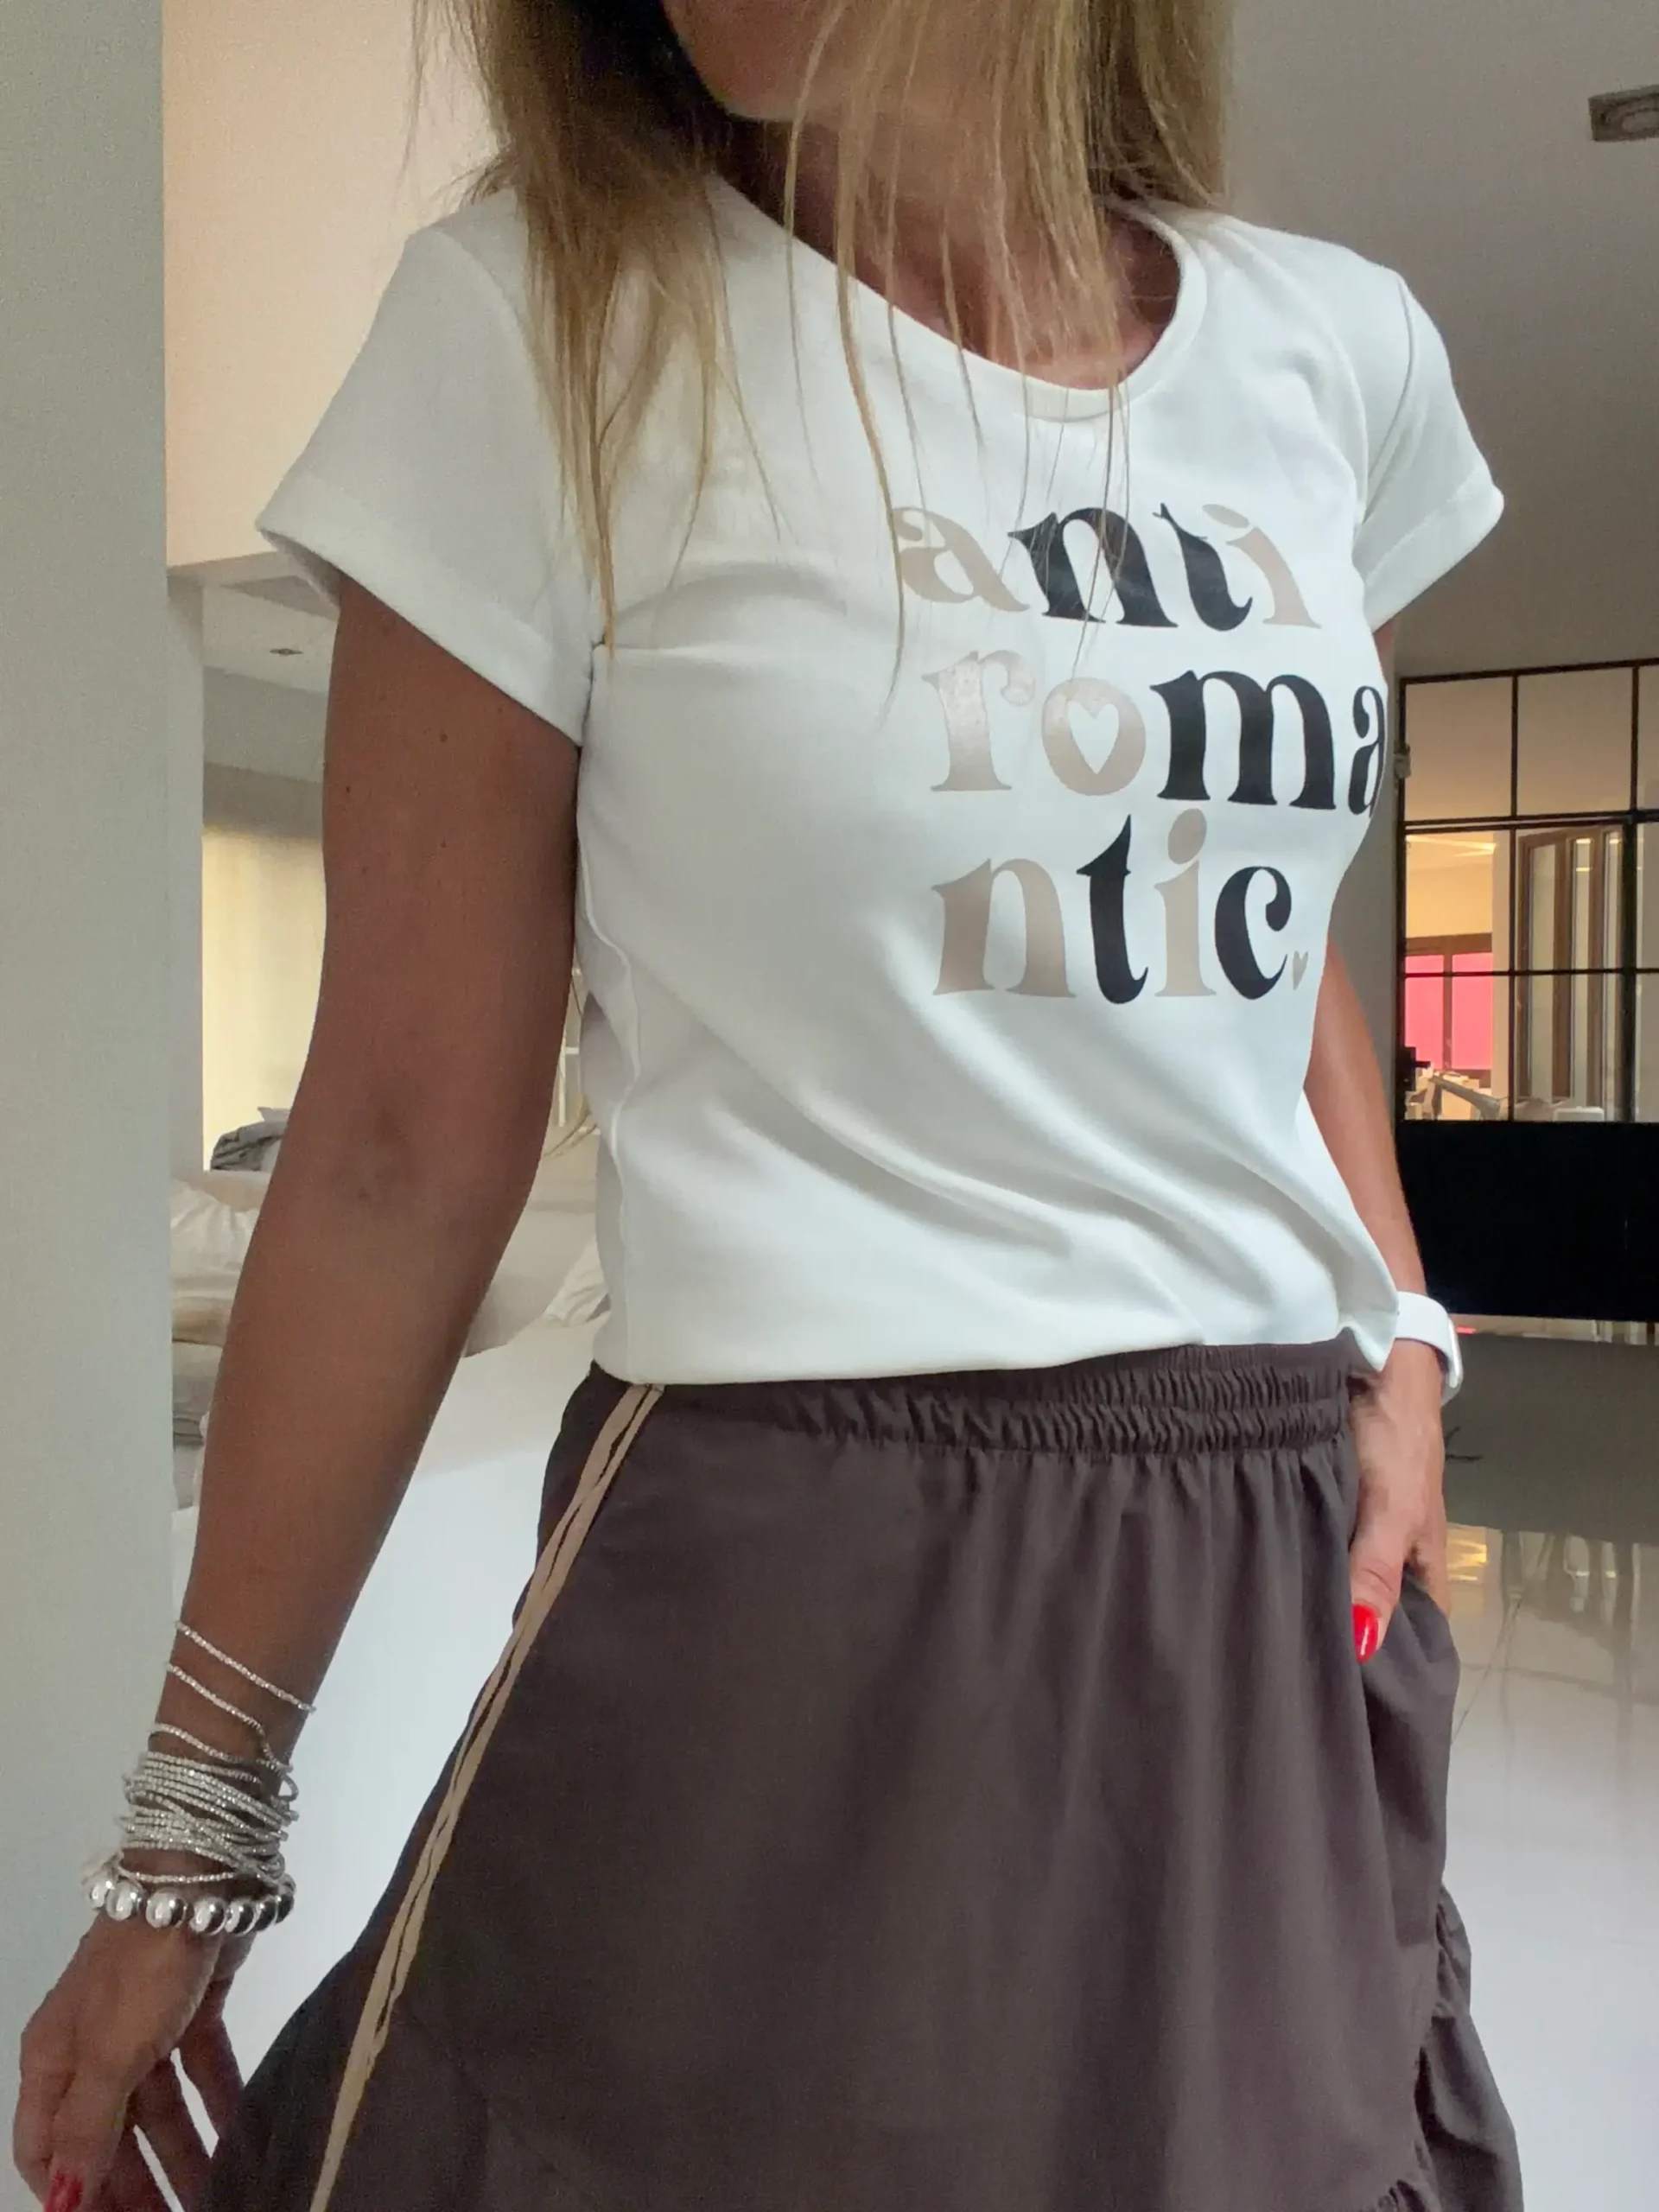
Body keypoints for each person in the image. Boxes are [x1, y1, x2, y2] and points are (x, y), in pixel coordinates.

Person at [15, 2, 1524, 2207]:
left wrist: (1400, 1322)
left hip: (1255, 1584)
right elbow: (397, 1150)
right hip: (795, 1579)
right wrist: (190, 1834)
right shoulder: (543, 326)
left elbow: (1265, 942)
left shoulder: (1339, 352)